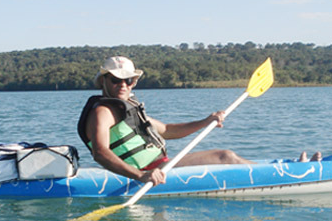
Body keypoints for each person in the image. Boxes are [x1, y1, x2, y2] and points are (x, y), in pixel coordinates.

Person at [77, 55, 253, 187]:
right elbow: (100, 152)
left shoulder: (127, 108)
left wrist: (206, 121)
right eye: (116, 80)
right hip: (148, 174)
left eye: (128, 80)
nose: (123, 85)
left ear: (133, 82)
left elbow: (167, 130)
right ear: (103, 81)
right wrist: (140, 176)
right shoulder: (102, 112)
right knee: (225, 157)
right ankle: (277, 178)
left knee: (228, 156)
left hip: (160, 168)